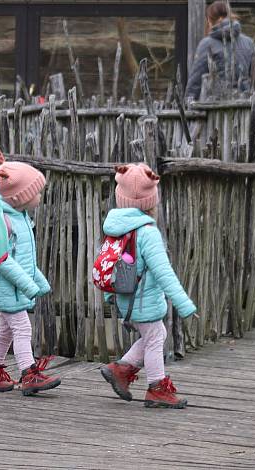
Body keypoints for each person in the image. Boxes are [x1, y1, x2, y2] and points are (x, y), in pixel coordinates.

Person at [99, 163, 197, 409]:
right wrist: (184, 304)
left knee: (155, 334)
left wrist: (108, 298)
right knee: (154, 337)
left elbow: (106, 262)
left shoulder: (116, 227)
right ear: (151, 201)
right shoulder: (147, 232)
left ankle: (121, 370)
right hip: (143, 299)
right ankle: (157, 388)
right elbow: (163, 272)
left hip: (125, 296)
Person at [0, 151, 61, 396]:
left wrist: (38, 280)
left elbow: (25, 259)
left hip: (15, 288)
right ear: (19, 197)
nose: (38, 197)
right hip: (8, 287)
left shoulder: (21, 217)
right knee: (23, 329)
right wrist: (27, 283)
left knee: (5, 331)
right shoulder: (4, 220)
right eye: (35, 193)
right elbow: (1, 259)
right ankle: (29, 373)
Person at [185, 0, 255, 101]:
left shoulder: (207, 44)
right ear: (230, 16)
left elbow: (195, 82)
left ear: (209, 20)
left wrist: (187, 106)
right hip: (245, 108)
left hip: (216, 109)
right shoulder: (249, 43)